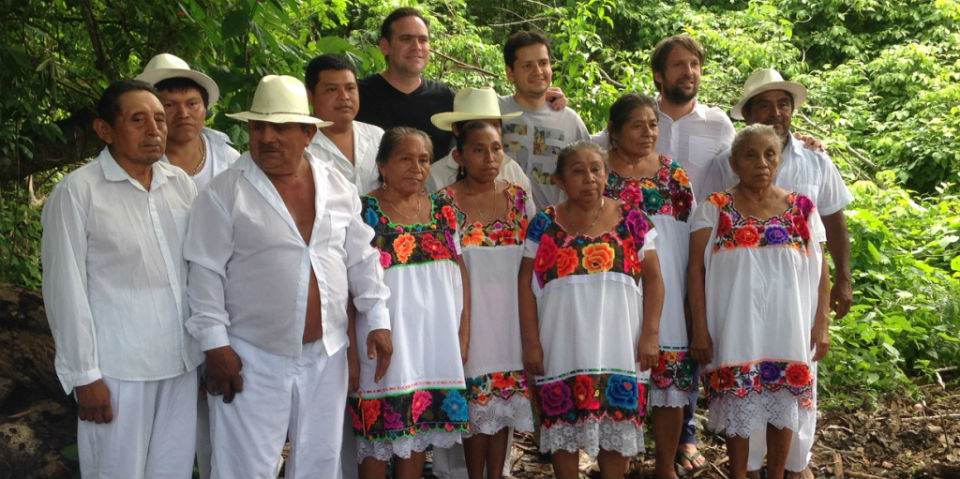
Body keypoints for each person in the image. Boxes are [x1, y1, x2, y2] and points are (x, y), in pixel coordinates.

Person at [183, 74, 393, 479]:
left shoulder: (336, 186)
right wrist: (216, 346)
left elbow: (361, 258)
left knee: (319, 463)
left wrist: (378, 320)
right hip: (250, 354)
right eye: (258, 127)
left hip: (326, 353)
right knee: (243, 467)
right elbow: (204, 273)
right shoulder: (225, 192)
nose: (266, 138)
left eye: (280, 128)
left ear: (308, 134)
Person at [41, 79, 201, 478]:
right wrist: (84, 376)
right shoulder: (78, 192)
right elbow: (65, 288)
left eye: (160, 119)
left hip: (180, 364)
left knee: (173, 472)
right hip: (116, 370)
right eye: (138, 119)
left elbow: (199, 272)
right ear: (105, 130)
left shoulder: (180, 185)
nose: (154, 130)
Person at [711, 68, 853, 478]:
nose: (776, 112)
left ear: (792, 111)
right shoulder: (728, 161)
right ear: (749, 114)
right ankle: (749, 465)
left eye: (783, 104)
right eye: (765, 105)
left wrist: (842, 279)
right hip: (745, 289)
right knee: (747, 370)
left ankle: (794, 464)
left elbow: (834, 220)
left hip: (800, 289)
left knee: (798, 375)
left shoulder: (815, 159)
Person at [688, 124, 831, 479]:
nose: (761, 163)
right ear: (734, 162)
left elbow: (821, 268)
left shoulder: (802, 209)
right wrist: (700, 330)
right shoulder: (714, 209)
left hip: (789, 328)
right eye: (751, 154)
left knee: (783, 403)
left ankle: (778, 474)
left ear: (780, 160)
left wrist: (821, 323)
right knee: (739, 403)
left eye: (770, 154)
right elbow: (695, 272)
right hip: (736, 328)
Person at [519, 141, 664, 478]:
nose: (589, 178)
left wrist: (651, 336)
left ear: (606, 174)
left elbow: (655, 280)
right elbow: (525, 287)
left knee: (612, 416)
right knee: (564, 424)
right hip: (563, 347)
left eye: (596, 169)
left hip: (618, 349)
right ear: (559, 180)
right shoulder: (544, 224)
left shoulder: (632, 220)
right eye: (578, 171)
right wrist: (531, 342)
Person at [349, 127, 471, 479]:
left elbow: (459, 272)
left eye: (423, 159)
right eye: (405, 158)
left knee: (416, 436)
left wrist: (462, 334)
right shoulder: (364, 211)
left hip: (434, 342)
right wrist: (351, 354)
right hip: (382, 340)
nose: (416, 167)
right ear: (383, 164)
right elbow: (347, 286)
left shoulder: (444, 210)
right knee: (376, 435)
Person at [601, 93, 697, 479]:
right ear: (614, 131)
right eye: (637, 125)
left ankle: (664, 466)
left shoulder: (672, 172)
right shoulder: (599, 172)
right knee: (620, 370)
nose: (648, 132)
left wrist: (691, 291)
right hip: (616, 285)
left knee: (670, 375)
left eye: (653, 125)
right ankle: (617, 462)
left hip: (668, 281)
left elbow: (689, 231)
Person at [436, 120, 536, 478]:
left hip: (510, 318)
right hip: (470, 319)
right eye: (478, 150)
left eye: (496, 148)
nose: (490, 157)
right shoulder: (443, 203)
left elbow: (532, 262)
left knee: (504, 405)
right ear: (458, 155)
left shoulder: (519, 198)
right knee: (476, 408)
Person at [499, 30, 591, 209]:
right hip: (501, 227)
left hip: (552, 229)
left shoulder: (570, 121)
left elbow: (590, 174)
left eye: (543, 63)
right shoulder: (494, 111)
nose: (538, 71)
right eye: (527, 65)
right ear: (510, 73)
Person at [136, 53, 240, 190]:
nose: (183, 114)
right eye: (169, 105)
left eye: (192, 104)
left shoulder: (228, 159)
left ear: (205, 107)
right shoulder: (140, 161)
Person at [426, 87, 531, 195]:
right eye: (478, 126)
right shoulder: (434, 176)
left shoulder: (512, 170)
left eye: (494, 125)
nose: (487, 133)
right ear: (456, 129)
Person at [305, 53, 383, 195]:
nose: (344, 97)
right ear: (310, 96)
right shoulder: (302, 145)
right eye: (331, 89)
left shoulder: (377, 136)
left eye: (350, 88)